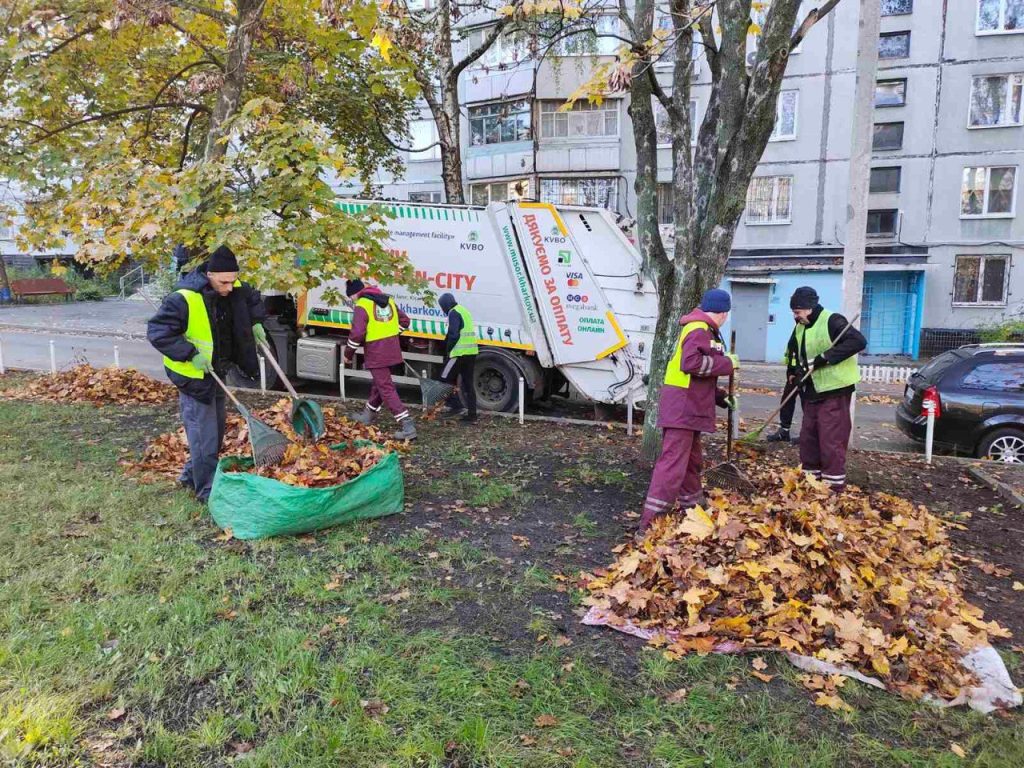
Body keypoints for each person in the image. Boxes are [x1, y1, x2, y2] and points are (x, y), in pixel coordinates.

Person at [147, 245, 267, 503]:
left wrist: (256, 321)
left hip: (216, 373)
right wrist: (190, 353)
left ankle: (190, 477)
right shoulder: (184, 298)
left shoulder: (232, 287)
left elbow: (251, 298)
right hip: (192, 376)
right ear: (209, 275)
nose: (229, 287)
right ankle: (207, 492)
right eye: (224, 282)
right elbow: (158, 332)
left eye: (233, 281)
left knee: (215, 432)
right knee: (205, 436)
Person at [640, 288, 739, 531]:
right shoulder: (699, 330)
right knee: (672, 465)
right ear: (724, 314)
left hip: (687, 408)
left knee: (691, 462)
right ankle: (650, 524)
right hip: (683, 410)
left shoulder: (700, 328)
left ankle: (693, 508)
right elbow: (691, 364)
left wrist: (720, 397)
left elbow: (697, 377)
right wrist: (727, 364)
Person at [785, 286, 867, 492]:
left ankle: (832, 487)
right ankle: (811, 482)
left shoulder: (832, 320)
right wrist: (795, 371)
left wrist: (826, 357)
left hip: (835, 390)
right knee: (809, 437)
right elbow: (796, 351)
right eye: (794, 312)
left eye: (798, 312)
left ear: (809, 308)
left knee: (831, 438)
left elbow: (858, 341)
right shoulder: (800, 327)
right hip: (812, 390)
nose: (796, 317)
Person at [344, 278, 416, 440]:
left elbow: (357, 334)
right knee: (380, 383)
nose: (352, 300)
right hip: (392, 350)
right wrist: (390, 335)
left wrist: (348, 354)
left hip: (376, 352)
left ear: (355, 293)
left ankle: (407, 424)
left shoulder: (362, 305)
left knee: (385, 387)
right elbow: (405, 321)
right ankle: (368, 414)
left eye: (351, 297)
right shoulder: (388, 300)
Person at [438, 292, 479, 422]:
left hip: (458, 354)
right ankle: (472, 416)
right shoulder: (464, 311)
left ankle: (455, 406)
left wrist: (447, 349)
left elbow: (453, 334)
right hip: (471, 353)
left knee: (443, 379)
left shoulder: (453, 313)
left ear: (445, 305)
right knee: (468, 384)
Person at [766, 348, 802, 443]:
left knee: (808, 403)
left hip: (806, 372)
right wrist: (790, 372)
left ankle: (808, 435)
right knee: (787, 399)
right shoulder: (796, 334)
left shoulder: (810, 333)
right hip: (795, 373)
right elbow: (792, 354)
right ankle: (784, 431)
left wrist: (800, 373)